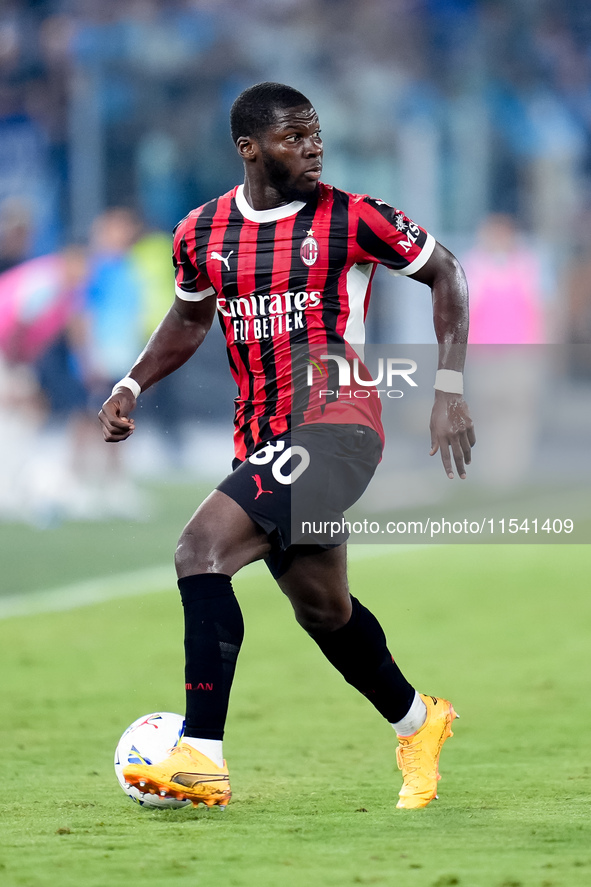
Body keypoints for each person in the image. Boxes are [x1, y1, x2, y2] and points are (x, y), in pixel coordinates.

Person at [99, 82, 475, 811]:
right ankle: (419, 720)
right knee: (322, 607)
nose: (313, 148)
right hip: (262, 437)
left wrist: (449, 386)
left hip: (338, 424)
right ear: (249, 148)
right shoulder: (200, 232)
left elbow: (445, 272)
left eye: (315, 135)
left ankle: (200, 754)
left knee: (199, 548)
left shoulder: (353, 217)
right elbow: (186, 319)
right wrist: (132, 383)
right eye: (295, 137)